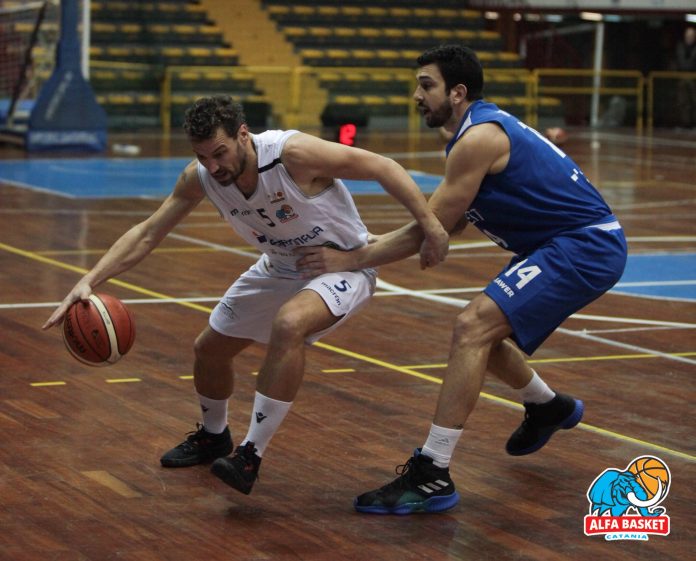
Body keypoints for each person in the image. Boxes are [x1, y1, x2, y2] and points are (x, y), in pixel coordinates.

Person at [42, 95, 449, 495]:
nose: (213, 166)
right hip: (279, 266)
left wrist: (430, 227)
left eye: (219, 153)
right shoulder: (200, 176)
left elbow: (383, 166)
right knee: (209, 350)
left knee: (289, 323)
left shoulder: (293, 154)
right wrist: (90, 280)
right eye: (203, 157)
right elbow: (148, 232)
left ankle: (250, 453)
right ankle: (213, 437)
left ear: (242, 134)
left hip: (341, 264)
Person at [296, 45, 628, 515]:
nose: (416, 95)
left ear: (458, 92)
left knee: (472, 326)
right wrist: (397, 240)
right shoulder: (470, 136)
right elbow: (446, 225)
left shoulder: (479, 138)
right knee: (484, 337)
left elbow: (434, 226)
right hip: (559, 245)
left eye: (426, 85)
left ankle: (432, 472)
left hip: (583, 245)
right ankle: (547, 406)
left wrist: (352, 258)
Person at [675, 26, 696, 129]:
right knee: (683, 102)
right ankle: (685, 123)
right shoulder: (680, 47)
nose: (689, 38)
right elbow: (681, 62)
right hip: (682, 77)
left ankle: (694, 123)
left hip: (694, 78)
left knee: (694, 101)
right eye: (688, 36)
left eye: (691, 36)